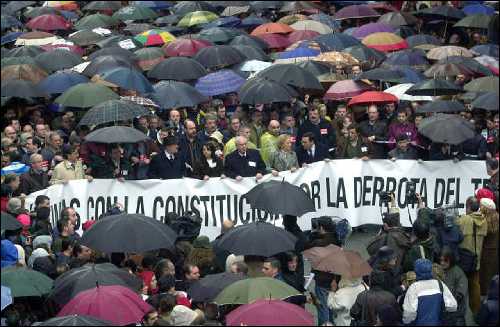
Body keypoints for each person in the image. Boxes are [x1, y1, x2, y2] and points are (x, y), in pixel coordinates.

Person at [456, 196, 488, 315]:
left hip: (464, 259)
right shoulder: (484, 220)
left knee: (461, 284)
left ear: (468, 207)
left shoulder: (464, 220)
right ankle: (476, 311)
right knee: (475, 285)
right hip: (476, 259)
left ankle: (460, 311)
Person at [402, 258, 458, 325]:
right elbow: (453, 306)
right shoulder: (440, 284)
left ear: (416, 271)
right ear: (431, 270)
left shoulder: (413, 288)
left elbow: (409, 314)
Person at [440, 246, 468, 326]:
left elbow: (461, 293)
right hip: (444, 312)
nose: (442, 263)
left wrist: (453, 300)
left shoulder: (458, 272)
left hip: (456, 313)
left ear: (451, 260)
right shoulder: (439, 271)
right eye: (441, 260)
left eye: (445, 260)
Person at [478, 198, 498, 297]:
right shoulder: (497, 217)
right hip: (495, 252)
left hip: (485, 252)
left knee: (485, 277)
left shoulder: (484, 221)